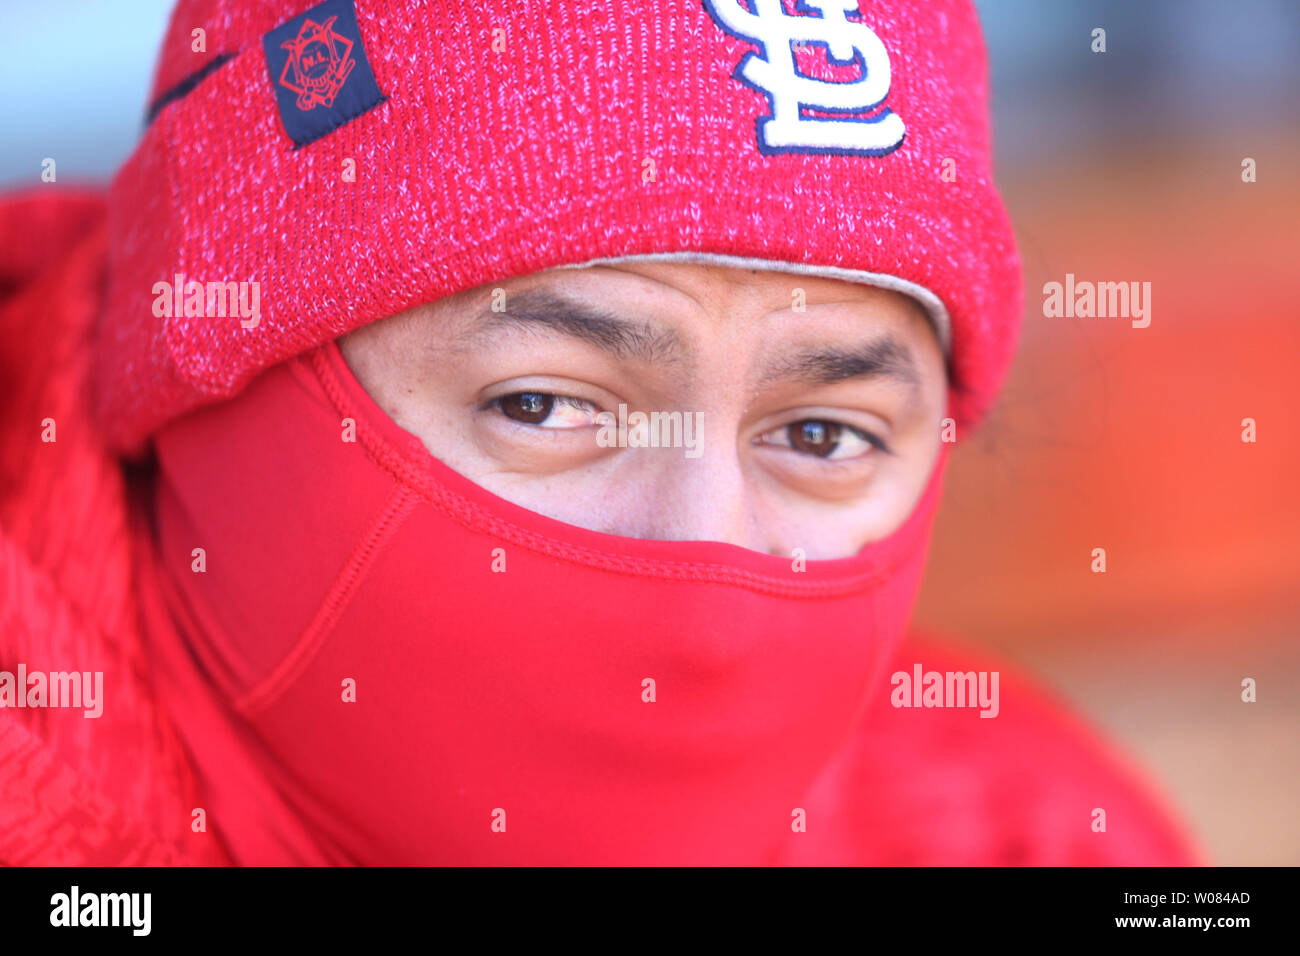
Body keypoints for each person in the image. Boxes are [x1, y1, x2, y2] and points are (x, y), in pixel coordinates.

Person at [0, 0, 1201, 865]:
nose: (707, 584)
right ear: (205, 392)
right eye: (544, 403)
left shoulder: (1028, 835)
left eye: (824, 433)